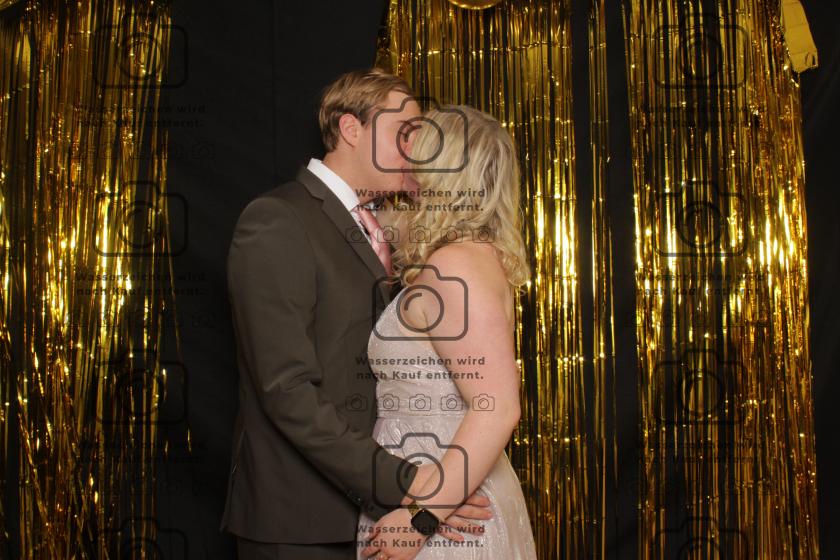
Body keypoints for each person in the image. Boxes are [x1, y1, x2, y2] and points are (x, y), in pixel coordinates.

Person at [220, 69, 493, 560]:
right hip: (300, 519)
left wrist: (433, 490)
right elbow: (287, 391)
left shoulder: (393, 228)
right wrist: (411, 484)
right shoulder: (278, 219)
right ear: (350, 129)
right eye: (403, 133)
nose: (416, 151)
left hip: (381, 517)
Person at [356, 105, 538, 559]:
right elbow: (373, 220)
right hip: (436, 487)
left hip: (444, 514)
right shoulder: (462, 254)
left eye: (418, 150)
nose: (407, 160)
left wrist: (422, 518)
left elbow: (498, 408)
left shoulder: (456, 266)